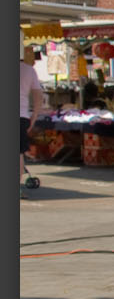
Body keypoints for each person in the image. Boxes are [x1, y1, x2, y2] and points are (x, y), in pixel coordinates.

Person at [21, 45, 46, 191]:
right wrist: (34, 116)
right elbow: (38, 96)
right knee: (18, 153)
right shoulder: (29, 70)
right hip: (22, 116)